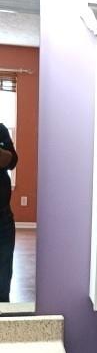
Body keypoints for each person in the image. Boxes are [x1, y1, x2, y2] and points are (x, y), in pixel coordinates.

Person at [0, 123, 18, 302]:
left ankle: (4, 324)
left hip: (3, 219)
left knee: (3, 279)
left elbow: (12, 161)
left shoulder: (0, 130)